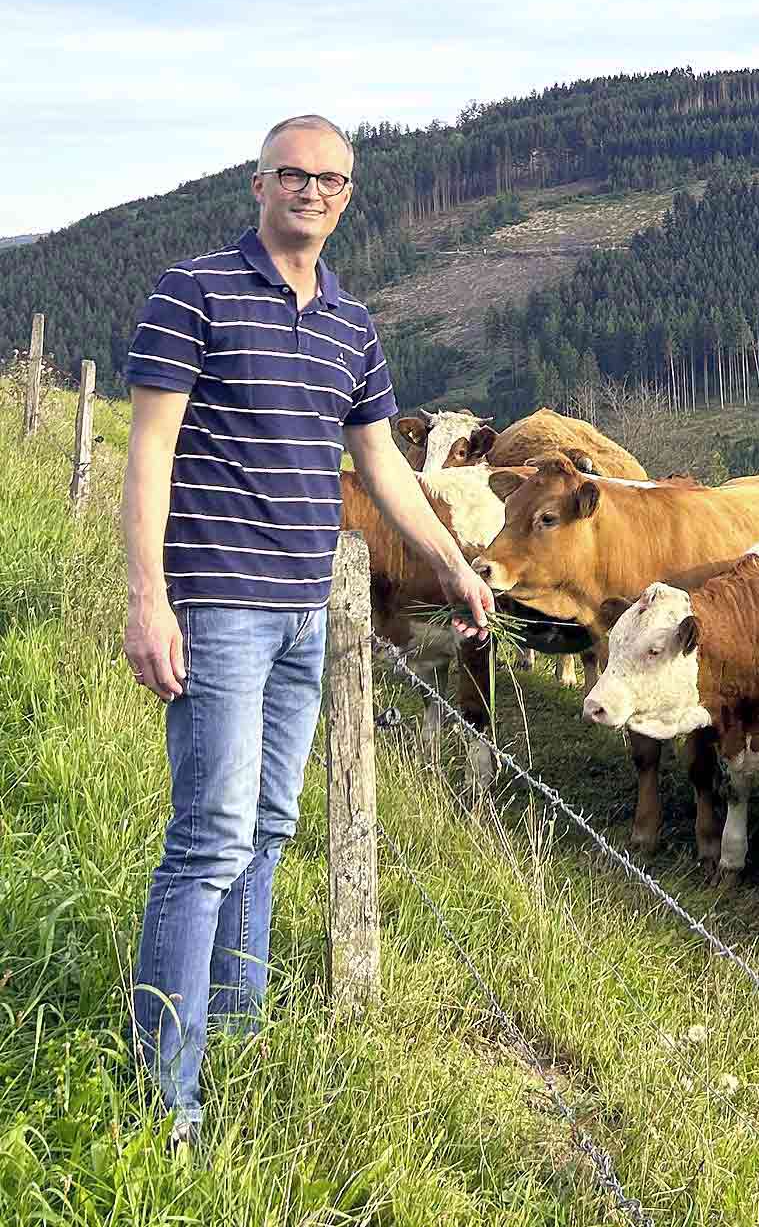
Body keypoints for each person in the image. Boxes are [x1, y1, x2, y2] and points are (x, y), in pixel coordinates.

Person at [120, 114, 493, 1148]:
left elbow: (384, 469)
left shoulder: (351, 324)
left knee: (271, 830)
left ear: (348, 196)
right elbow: (148, 455)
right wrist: (147, 597)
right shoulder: (190, 292)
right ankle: (168, 1101)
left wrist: (455, 565)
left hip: (303, 616)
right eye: (294, 173)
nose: (312, 190)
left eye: (331, 178)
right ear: (258, 183)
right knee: (207, 842)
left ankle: (236, 1043)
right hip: (219, 604)